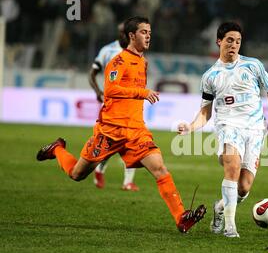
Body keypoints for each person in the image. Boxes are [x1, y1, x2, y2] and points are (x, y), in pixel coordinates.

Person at [37, 16, 206, 233]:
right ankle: (57, 149)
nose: (148, 36)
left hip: (136, 131)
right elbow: (111, 91)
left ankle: (181, 217)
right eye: (144, 32)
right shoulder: (118, 62)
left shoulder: (143, 62)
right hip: (110, 131)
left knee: (160, 169)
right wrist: (142, 92)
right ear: (131, 35)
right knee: (77, 174)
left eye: (150, 32)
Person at [178, 21, 268, 238]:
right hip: (228, 126)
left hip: (254, 129)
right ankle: (230, 227)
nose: (234, 45)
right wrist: (191, 126)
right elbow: (205, 112)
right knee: (232, 169)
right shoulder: (210, 76)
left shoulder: (253, 66)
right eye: (229, 40)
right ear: (219, 41)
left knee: (244, 187)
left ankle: (220, 208)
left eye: (238, 41)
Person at [88, 22, 140, 191]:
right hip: (112, 106)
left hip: (131, 106)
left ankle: (128, 182)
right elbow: (92, 74)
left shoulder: (137, 51)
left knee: (133, 141)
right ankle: (99, 168)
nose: (124, 35)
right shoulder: (107, 51)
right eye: (121, 32)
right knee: (110, 144)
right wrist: (98, 92)